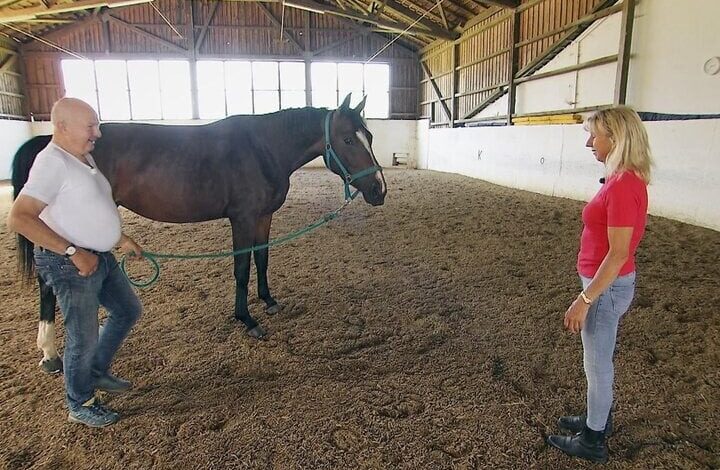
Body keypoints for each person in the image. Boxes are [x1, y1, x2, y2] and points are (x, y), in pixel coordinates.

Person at [7, 97, 143, 428]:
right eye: (90, 127)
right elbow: (19, 218)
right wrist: (72, 252)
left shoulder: (82, 157)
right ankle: (79, 401)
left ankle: (95, 370)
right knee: (82, 336)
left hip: (100, 256)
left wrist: (118, 239)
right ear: (62, 126)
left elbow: (89, 205)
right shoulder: (52, 162)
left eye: (96, 125)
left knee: (127, 310)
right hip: (70, 263)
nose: (97, 133)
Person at [547, 106, 653, 463]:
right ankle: (597, 418)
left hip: (605, 288)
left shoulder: (622, 186)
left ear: (616, 138)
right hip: (604, 284)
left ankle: (592, 439)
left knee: (597, 363)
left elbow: (619, 253)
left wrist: (585, 298)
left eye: (596, 136)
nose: (590, 143)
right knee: (597, 360)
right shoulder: (623, 179)